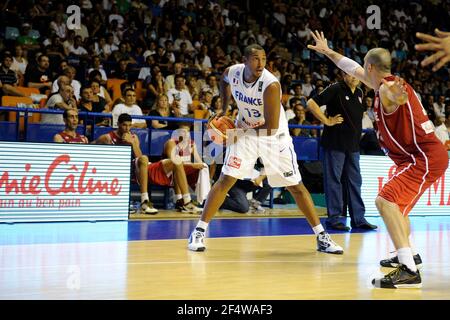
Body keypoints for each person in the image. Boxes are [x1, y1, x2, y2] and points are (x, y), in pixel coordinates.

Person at [308, 30, 448, 288]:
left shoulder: (387, 88)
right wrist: (327, 51)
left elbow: (394, 95)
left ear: (370, 67)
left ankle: (408, 269)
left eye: (363, 67)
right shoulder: (381, 83)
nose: (358, 71)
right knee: (399, 207)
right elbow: (349, 65)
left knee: (385, 200)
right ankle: (408, 253)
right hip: (417, 158)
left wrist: (399, 96)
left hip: (423, 157)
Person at [187, 44, 343, 255]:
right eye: (254, 58)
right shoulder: (232, 72)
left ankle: (322, 237)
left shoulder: (271, 84)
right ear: (244, 60)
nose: (260, 63)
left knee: (295, 186)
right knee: (225, 179)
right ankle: (199, 231)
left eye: (263, 59)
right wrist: (223, 109)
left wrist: (239, 133)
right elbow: (224, 82)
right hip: (245, 132)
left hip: (274, 137)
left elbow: (269, 127)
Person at [307, 72, 377, 231]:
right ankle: (334, 219)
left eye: (356, 74)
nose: (354, 77)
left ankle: (358, 219)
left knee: (355, 182)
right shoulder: (336, 88)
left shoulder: (359, 92)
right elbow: (311, 103)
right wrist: (326, 121)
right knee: (334, 182)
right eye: (350, 74)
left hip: (353, 146)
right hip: (334, 144)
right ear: (344, 75)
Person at [94, 113, 158, 214]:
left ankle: (145, 201)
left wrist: (132, 142)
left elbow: (139, 156)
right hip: (113, 167)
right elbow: (92, 146)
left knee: (144, 159)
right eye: (124, 125)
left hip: (131, 168)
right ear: (118, 124)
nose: (127, 128)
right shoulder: (108, 137)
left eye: (129, 125)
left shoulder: (134, 137)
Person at [164, 122, 211, 208]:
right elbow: (174, 162)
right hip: (168, 171)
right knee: (177, 168)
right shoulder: (171, 143)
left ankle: (206, 197)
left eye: (188, 131)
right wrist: (192, 165)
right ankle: (180, 200)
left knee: (203, 167)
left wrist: (200, 165)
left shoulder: (191, 144)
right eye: (183, 131)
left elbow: (198, 161)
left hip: (185, 170)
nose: (186, 134)